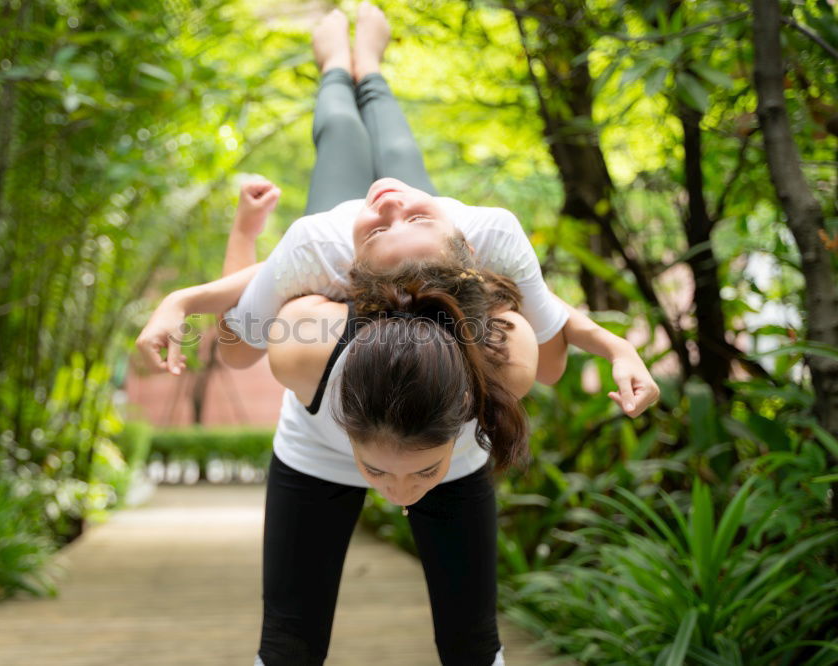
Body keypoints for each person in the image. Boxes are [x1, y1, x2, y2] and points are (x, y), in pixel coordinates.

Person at [135, 5, 659, 664]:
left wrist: (616, 346)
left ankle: (365, 64)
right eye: (377, 467)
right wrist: (241, 239)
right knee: (343, 138)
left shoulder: (493, 289)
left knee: (473, 644)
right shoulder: (314, 291)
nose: (398, 490)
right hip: (316, 434)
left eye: (419, 471)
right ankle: (340, 62)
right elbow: (237, 348)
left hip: (426, 275)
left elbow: (552, 339)